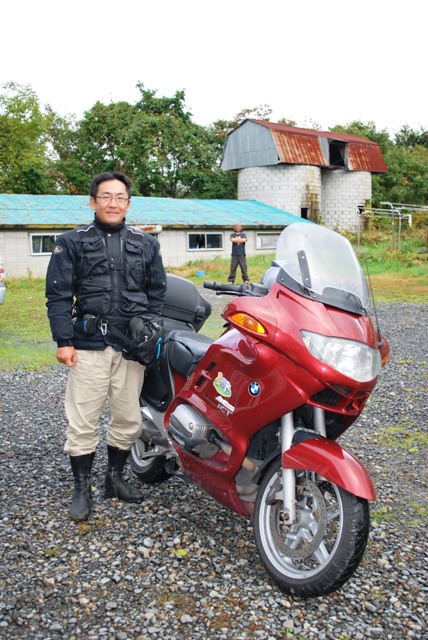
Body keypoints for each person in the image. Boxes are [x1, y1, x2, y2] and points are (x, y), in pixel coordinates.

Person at [46, 172, 167, 522]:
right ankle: (81, 489)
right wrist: (64, 341)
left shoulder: (146, 244)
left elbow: (157, 293)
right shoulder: (71, 242)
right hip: (88, 345)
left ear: (128, 203)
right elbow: (58, 296)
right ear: (93, 201)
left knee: (129, 418)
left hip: (130, 349)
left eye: (120, 197)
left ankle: (114, 479)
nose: (113, 203)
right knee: (83, 420)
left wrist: (149, 328)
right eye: (105, 196)